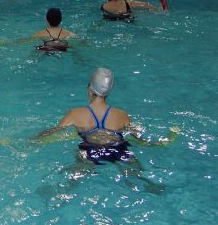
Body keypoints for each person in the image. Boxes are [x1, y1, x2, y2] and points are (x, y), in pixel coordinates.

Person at [34, 68, 180, 164]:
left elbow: (51, 133)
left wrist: (30, 140)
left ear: (90, 88)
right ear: (109, 91)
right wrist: (168, 138)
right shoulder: (121, 115)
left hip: (89, 151)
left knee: (73, 179)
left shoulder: (75, 114)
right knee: (137, 176)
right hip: (119, 149)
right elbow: (140, 140)